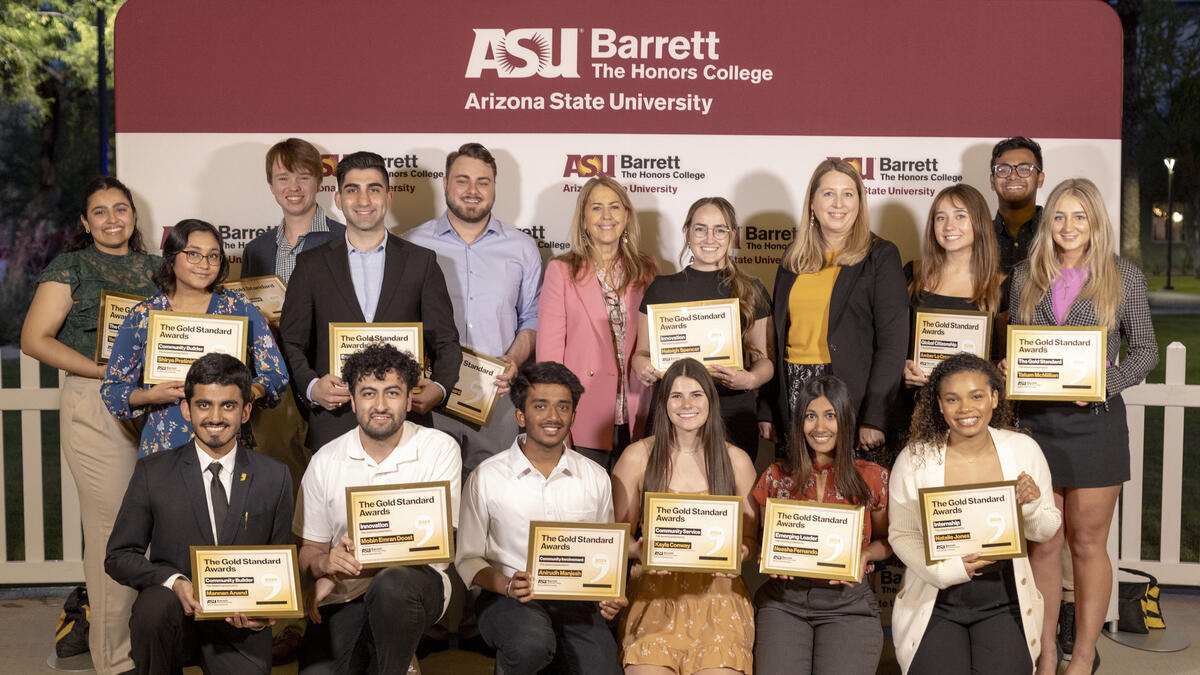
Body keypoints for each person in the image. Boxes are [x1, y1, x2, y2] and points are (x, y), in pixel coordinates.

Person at [1010, 178, 1157, 675]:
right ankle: (1046, 651)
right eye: (1059, 216)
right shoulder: (1025, 276)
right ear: (1047, 223)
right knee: (1043, 543)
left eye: (1080, 217)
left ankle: (1085, 655)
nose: (1069, 227)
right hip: (1036, 426)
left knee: (1088, 544)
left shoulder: (1122, 277)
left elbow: (1146, 352)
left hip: (1096, 426)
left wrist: (1102, 382)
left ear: (1096, 222)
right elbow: (1020, 349)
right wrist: (1011, 369)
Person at [19, 177, 159, 675]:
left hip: (160, 403)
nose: (112, 219)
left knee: (164, 526)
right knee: (113, 531)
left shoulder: (158, 268)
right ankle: (115, 661)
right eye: (99, 212)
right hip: (97, 400)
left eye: (120, 208)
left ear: (133, 216)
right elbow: (35, 339)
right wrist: (108, 371)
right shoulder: (70, 267)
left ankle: (157, 649)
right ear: (85, 222)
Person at [104, 354, 295, 675]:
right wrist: (173, 581)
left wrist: (266, 612)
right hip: (173, 617)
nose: (215, 417)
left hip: (240, 626)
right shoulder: (154, 472)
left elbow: (280, 561)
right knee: (154, 607)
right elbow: (119, 556)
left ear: (246, 411)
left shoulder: (275, 476)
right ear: (186, 409)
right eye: (204, 405)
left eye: (228, 406)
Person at [279, 150, 462, 451]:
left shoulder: (422, 263)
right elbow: (290, 341)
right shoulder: (311, 265)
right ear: (338, 200)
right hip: (334, 423)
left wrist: (440, 388)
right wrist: (312, 387)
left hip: (407, 423)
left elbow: (445, 340)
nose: (363, 201)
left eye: (373, 189)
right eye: (352, 190)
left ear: (389, 198)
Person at [295, 343, 461, 674]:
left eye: (393, 392)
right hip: (345, 590)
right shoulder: (324, 460)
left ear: (409, 398)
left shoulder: (439, 449)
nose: (381, 405)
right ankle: (396, 658)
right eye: (369, 393)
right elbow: (309, 551)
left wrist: (342, 568)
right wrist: (325, 563)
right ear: (353, 401)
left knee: (391, 585)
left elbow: (439, 542)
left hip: (415, 584)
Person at [889, 353, 1061, 674]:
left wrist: (1033, 505)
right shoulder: (915, 459)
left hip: (1003, 600)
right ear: (939, 405)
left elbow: (1045, 530)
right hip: (936, 599)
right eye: (952, 399)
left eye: (977, 396)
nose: (965, 408)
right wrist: (942, 572)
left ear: (995, 398)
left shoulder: (1023, 449)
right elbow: (902, 533)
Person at [456, 361, 625, 673]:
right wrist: (507, 586)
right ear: (521, 415)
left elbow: (604, 555)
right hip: (508, 600)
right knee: (530, 645)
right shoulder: (486, 477)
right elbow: (467, 559)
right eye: (540, 406)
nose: (553, 417)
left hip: (577, 602)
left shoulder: (595, 476)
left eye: (563, 407)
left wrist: (609, 595)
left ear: (574, 415)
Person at [612, 358, 758, 675]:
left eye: (696, 395)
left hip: (718, 597)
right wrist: (640, 550)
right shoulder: (637, 456)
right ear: (663, 402)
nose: (687, 404)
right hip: (654, 596)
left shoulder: (737, 460)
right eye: (676, 395)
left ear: (711, 401)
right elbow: (615, 541)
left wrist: (737, 553)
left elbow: (751, 543)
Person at [403, 142, 541, 473]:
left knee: (496, 502)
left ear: (494, 187)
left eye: (483, 181)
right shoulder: (411, 244)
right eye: (462, 180)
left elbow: (532, 316)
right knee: (430, 501)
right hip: (430, 396)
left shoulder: (522, 248)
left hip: (498, 399)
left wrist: (515, 359)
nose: (473, 190)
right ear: (446, 183)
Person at [101, 219, 288, 456]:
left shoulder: (239, 308)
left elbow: (277, 375)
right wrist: (150, 395)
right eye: (193, 254)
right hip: (164, 448)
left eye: (213, 256)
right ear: (171, 257)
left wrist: (244, 392)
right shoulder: (142, 315)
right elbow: (112, 390)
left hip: (229, 446)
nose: (204, 264)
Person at [765, 159, 907, 462]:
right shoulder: (793, 258)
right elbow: (774, 339)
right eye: (828, 194)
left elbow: (893, 344)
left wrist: (874, 417)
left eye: (848, 194)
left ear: (859, 203)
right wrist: (768, 407)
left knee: (847, 493)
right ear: (813, 203)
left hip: (849, 392)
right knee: (801, 491)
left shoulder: (880, 256)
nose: (839, 203)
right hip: (795, 387)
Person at [751, 375, 891, 674]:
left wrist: (864, 556)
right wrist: (770, 555)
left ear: (846, 420)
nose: (820, 428)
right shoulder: (776, 475)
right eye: (810, 416)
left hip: (848, 604)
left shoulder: (873, 477)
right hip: (783, 602)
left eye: (830, 416)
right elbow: (766, 538)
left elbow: (887, 540)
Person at [631, 197, 774, 462]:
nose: (710, 237)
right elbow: (641, 353)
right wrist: (642, 366)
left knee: (730, 495)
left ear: (733, 235)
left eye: (720, 229)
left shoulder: (752, 290)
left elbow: (765, 361)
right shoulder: (661, 288)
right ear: (687, 232)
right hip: (674, 410)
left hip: (732, 411)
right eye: (700, 228)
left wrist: (750, 380)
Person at [538, 175, 657, 472]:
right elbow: (549, 360)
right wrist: (556, 418)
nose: (607, 217)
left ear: (627, 215)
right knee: (587, 510)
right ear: (583, 219)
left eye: (615, 207)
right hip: (584, 409)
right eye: (596, 208)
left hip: (639, 406)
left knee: (633, 510)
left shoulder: (648, 270)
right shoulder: (561, 271)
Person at [896, 184, 1008, 449]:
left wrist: (1002, 368)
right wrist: (902, 366)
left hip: (972, 419)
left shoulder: (1002, 286)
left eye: (960, 215)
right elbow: (892, 339)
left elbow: (1004, 360)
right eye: (940, 217)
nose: (948, 226)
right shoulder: (913, 274)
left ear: (978, 222)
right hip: (915, 412)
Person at [241, 137, 346, 281]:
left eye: (303, 177)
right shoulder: (255, 250)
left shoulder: (346, 241)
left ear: (319, 183)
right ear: (271, 186)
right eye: (283, 178)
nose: (294, 187)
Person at [990, 136, 1046, 275]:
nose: (1013, 176)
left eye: (1025, 168)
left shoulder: (1058, 234)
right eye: (1002, 169)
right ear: (992, 181)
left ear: (1040, 179)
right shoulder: (977, 236)